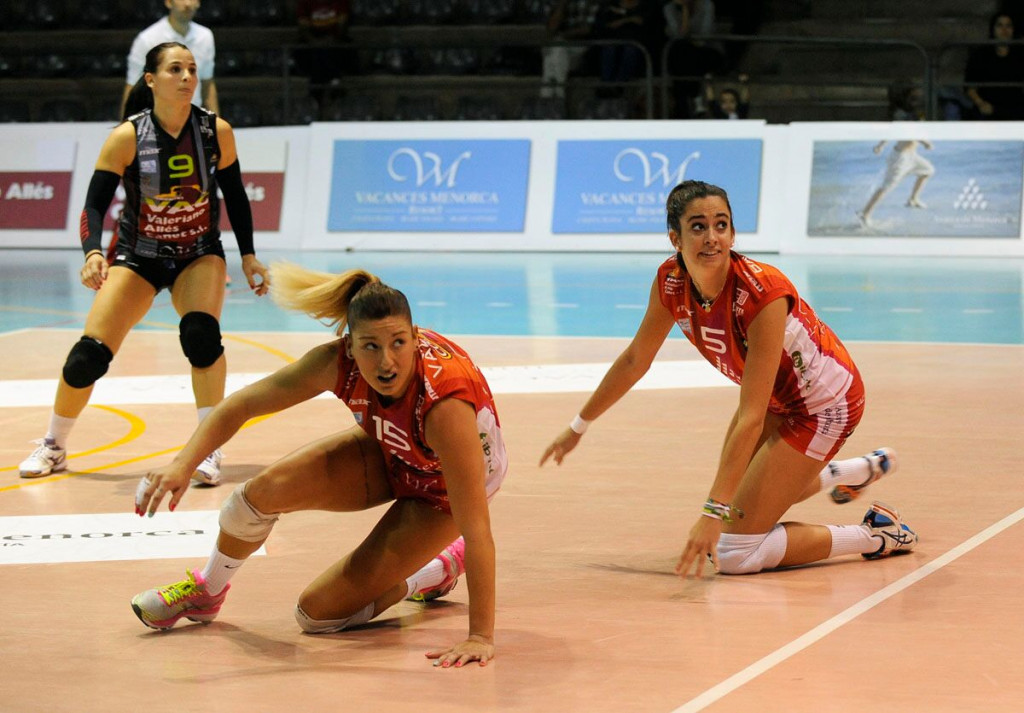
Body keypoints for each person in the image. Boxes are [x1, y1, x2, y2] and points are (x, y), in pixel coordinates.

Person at [131, 263, 507, 668]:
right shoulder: (334, 363)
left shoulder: (444, 407)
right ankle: (208, 591)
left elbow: (478, 529)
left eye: (399, 343)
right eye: (371, 347)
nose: (386, 363)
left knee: (317, 616)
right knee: (257, 495)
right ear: (348, 345)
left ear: (415, 339)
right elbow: (241, 405)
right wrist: (183, 464)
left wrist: (479, 636)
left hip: (443, 490)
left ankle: (436, 569)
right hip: (392, 449)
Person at [540, 180, 917, 579]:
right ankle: (856, 471)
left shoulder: (762, 294)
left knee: (735, 552)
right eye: (698, 226)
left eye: (721, 225)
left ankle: (878, 534)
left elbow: (750, 415)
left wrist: (711, 513)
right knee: (739, 499)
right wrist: (578, 426)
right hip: (782, 400)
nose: (712, 238)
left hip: (824, 406)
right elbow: (635, 359)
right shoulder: (671, 281)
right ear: (675, 237)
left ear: (733, 233)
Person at [18, 42, 269, 483]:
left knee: (201, 338)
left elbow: (237, 196)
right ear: (151, 79)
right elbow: (94, 205)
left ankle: (207, 449)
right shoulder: (127, 136)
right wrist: (93, 251)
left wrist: (248, 256)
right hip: (139, 257)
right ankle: (54, 445)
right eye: (176, 69)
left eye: (192, 69)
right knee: (86, 358)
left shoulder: (216, 131)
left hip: (199, 254)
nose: (188, 77)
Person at [121, 0, 218, 117]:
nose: (187, 4)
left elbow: (207, 84)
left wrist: (215, 125)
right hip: (155, 118)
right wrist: (125, 126)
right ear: (168, 2)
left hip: (191, 117)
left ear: (198, 3)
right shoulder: (147, 39)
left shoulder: (206, 36)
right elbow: (132, 86)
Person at [663, 0, 725, 118]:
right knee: (680, 52)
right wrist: (685, 11)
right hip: (684, 55)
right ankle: (696, 98)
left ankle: (683, 106)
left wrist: (687, 40)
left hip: (708, 51)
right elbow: (677, 35)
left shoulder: (707, 5)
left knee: (684, 55)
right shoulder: (669, 8)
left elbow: (704, 35)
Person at [858, 140, 934, 228]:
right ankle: (865, 213)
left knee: (928, 170)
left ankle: (913, 199)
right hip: (900, 157)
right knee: (887, 186)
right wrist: (880, 145)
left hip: (912, 156)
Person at [964, 12, 1024, 120]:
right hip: (987, 108)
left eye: (1008, 26)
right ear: (993, 29)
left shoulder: (1020, 54)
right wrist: (981, 104)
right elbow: (970, 87)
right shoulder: (980, 55)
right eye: (1000, 25)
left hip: (1015, 109)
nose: (1004, 30)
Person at [295, 0, 353, 110]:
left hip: (335, 42)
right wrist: (314, 41)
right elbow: (303, 27)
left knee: (326, 52)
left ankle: (315, 94)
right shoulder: (305, 2)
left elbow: (343, 25)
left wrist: (333, 39)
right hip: (312, 43)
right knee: (317, 52)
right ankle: (335, 80)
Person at [540, 0, 603, 100]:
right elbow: (551, 29)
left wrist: (564, 35)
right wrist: (562, 4)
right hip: (561, 48)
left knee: (553, 53)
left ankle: (548, 101)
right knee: (556, 51)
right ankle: (558, 98)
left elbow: (588, 29)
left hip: (583, 46)